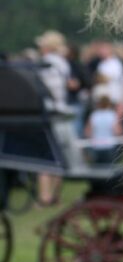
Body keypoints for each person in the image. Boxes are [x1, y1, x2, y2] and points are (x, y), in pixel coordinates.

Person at [34, 30, 71, 206]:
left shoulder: (46, 63)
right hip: (62, 112)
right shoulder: (63, 63)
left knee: (44, 156)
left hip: (48, 113)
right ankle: (55, 196)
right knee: (59, 156)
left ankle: (44, 198)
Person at [85, 93, 123, 165]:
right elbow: (118, 132)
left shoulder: (94, 115)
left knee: (98, 169)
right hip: (109, 146)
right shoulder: (112, 115)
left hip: (96, 147)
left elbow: (87, 132)